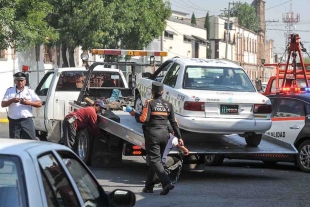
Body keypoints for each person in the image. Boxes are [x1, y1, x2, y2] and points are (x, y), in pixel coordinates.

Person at [126, 82, 184, 195]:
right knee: (156, 161)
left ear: (152, 92)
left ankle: (166, 183)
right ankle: (149, 187)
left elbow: (144, 119)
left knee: (154, 160)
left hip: (153, 135)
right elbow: (173, 122)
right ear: (162, 92)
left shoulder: (150, 103)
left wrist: (134, 114)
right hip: (165, 135)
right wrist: (179, 137)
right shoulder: (168, 104)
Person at [1, 72, 42, 140]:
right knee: (14, 143)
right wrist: (12, 100)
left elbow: (39, 104)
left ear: (25, 81)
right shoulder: (10, 91)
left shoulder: (29, 91)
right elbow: (3, 104)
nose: (20, 82)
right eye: (18, 80)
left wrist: (28, 102)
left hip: (27, 121)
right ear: (15, 81)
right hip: (14, 122)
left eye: (22, 80)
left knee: (30, 142)